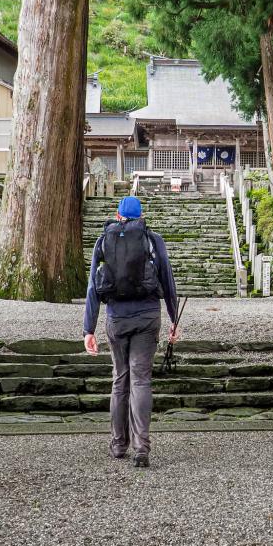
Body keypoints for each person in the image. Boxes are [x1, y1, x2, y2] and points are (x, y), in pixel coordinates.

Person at [83, 195, 180, 468]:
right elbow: (167, 281)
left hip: (116, 318)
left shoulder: (104, 240)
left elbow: (93, 287)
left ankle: (118, 444)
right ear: (140, 216)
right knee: (140, 380)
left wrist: (88, 329)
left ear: (118, 216)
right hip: (148, 317)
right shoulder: (152, 240)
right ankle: (141, 448)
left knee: (119, 380)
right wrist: (174, 318)